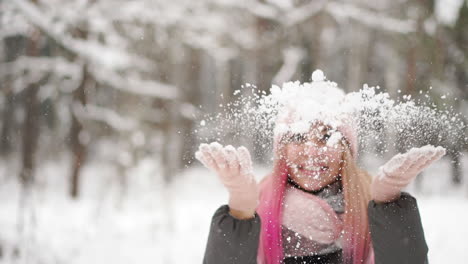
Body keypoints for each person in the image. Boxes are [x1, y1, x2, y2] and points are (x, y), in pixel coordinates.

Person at [195, 70, 445, 264]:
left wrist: (390, 206)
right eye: (298, 137)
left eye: (327, 137)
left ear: (346, 149)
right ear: (281, 148)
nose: (312, 151)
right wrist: (240, 211)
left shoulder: (371, 205)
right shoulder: (257, 204)